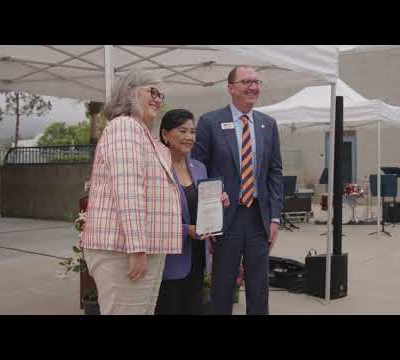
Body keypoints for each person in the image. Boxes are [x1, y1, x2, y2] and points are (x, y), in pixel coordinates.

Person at [80, 69, 183, 315]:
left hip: (139, 249)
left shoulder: (142, 134)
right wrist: (137, 249)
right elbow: (128, 191)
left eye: (162, 94)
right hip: (123, 251)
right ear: (129, 93)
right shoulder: (125, 127)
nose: (159, 99)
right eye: (153, 91)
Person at [191, 66, 283, 315]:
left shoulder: (268, 124)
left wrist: (275, 217)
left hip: (258, 219)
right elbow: (198, 170)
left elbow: (275, 173)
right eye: (246, 82)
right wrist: (206, 214)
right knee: (221, 289)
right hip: (224, 218)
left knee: (259, 288)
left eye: (257, 81)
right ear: (231, 88)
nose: (253, 87)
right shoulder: (210, 122)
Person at [154, 109, 229, 315]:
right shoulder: (156, 169)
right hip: (168, 259)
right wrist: (186, 229)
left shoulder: (199, 167)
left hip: (196, 258)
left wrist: (217, 202)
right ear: (165, 134)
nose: (189, 137)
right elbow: (151, 217)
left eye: (193, 132)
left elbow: (201, 208)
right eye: (182, 131)